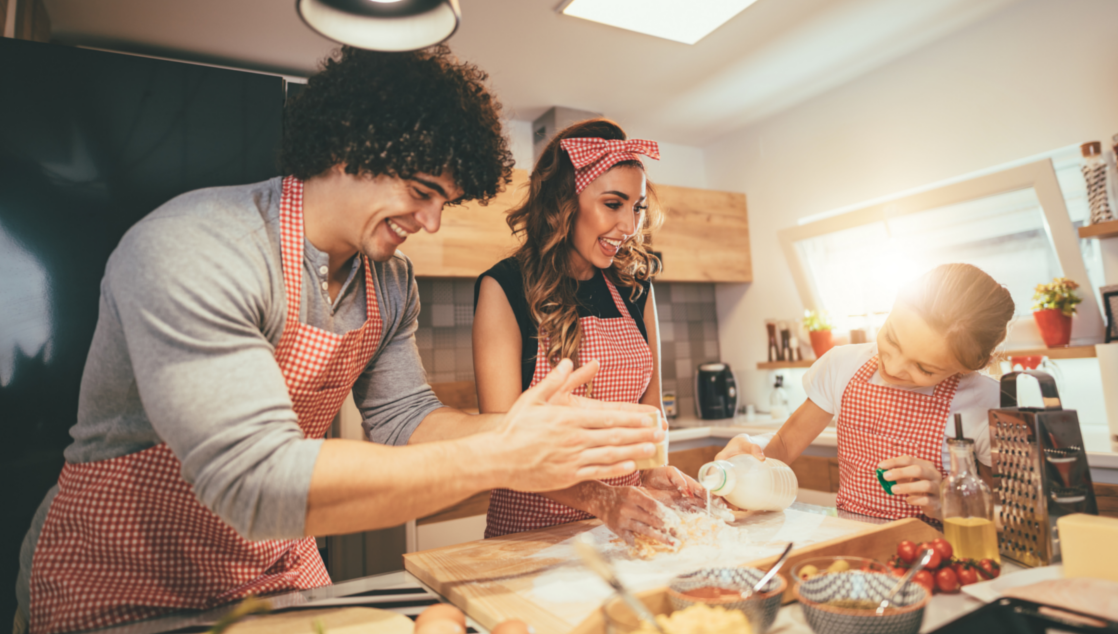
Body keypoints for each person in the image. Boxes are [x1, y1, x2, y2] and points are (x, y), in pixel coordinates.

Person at [17, 47, 663, 634]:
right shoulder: (198, 247)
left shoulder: (387, 284)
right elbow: (256, 482)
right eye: (421, 193)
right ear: (351, 148)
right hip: (122, 584)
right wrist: (501, 458)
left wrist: (566, 472)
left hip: (272, 574)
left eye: (447, 201)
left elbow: (407, 419)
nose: (432, 223)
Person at [473, 119, 705, 545]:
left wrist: (654, 471)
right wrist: (601, 499)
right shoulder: (504, 287)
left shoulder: (636, 288)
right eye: (613, 204)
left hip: (622, 528)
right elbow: (501, 445)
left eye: (635, 207)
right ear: (565, 202)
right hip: (530, 535)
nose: (630, 226)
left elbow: (649, 413)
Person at [717, 264, 1014, 521]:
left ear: (970, 367)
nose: (893, 366)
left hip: (939, 559)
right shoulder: (842, 365)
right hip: (852, 544)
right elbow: (782, 445)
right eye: (892, 339)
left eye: (924, 368)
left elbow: (1007, 512)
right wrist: (751, 449)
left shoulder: (987, 403)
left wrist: (946, 502)